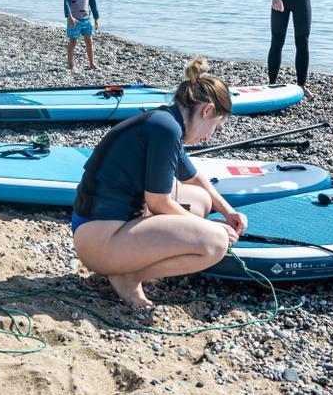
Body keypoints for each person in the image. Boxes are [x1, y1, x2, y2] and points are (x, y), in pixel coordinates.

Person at [71, 58, 246, 309]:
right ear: (207, 110)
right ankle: (128, 276)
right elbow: (158, 202)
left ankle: (129, 264)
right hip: (99, 240)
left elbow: (194, 178)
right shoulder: (166, 130)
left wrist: (228, 211)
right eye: (215, 128)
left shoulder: (165, 121)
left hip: (102, 228)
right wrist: (209, 228)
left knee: (201, 199)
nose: (209, 136)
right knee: (215, 243)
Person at [63, 0, 99, 70]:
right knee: (73, 42)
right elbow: (66, 2)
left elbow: (93, 3)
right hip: (74, 20)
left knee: (89, 41)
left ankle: (92, 64)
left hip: (86, 19)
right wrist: (69, 16)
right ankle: (71, 65)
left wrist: (96, 18)